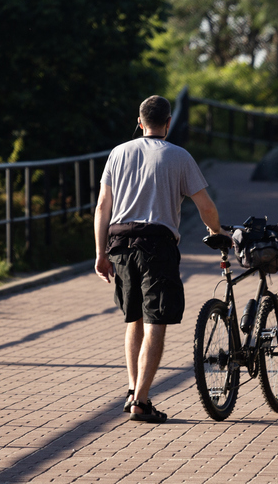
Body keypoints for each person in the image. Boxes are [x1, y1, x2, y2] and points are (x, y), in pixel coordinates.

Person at [94, 95, 224, 424]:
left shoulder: (118, 153)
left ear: (140, 123)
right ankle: (141, 401)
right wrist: (217, 231)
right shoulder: (178, 156)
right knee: (156, 323)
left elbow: (102, 207)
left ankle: (132, 389)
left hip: (120, 243)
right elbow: (205, 205)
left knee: (133, 318)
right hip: (157, 245)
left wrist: (100, 253)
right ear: (168, 124)